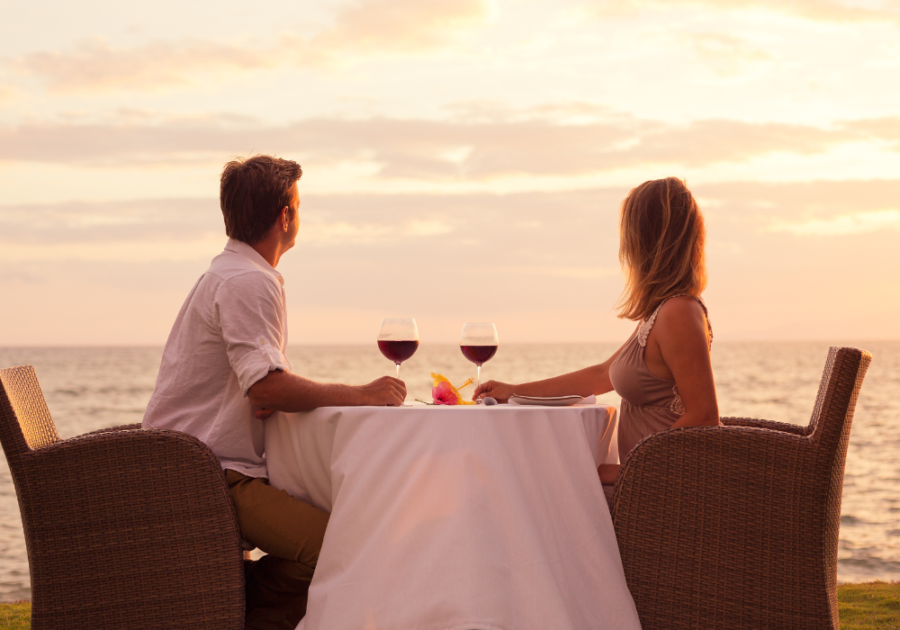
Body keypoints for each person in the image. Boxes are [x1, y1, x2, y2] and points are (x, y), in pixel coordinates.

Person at [142, 155, 406, 630]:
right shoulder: (248, 281)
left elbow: (260, 387)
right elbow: (265, 385)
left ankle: (224, 598)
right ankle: (234, 606)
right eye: (299, 206)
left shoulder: (229, 274)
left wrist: (271, 391)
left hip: (197, 464)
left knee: (338, 518)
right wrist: (361, 394)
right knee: (341, 542)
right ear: (286, 216)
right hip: (208, 475)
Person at [473, 177, 719, 486]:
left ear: (644, 240)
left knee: (527, 486)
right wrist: (515, 390)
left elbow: (705, 417)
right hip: (644, 485)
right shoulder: (660, 312)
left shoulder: (678, 312)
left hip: (665, 493)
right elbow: (600, 376)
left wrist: (625, 469)